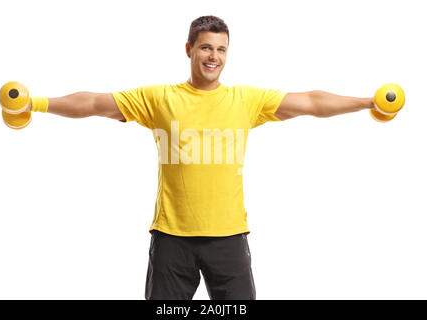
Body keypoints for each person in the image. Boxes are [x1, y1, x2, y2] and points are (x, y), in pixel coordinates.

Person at [25, 15, 376, 300]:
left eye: (222, 49)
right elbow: (94, 103)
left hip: (229, 238)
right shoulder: (160, 98)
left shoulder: (246, 100)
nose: (214, 57)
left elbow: (312, 102)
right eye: (206, 47)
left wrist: (367, 102)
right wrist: (35, 104)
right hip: (171, 239)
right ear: (189, 49)